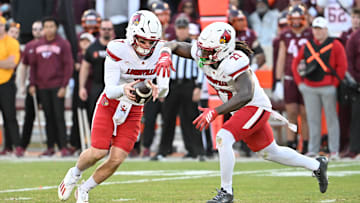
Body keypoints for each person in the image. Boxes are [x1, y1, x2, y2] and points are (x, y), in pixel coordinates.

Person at [157, 22, 329, 203]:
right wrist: (165, 54)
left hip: (254, 107)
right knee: (270, 152)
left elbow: (246, 94)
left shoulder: (235, 61)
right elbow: (175, 45)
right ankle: (317, 164)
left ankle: (226, 192)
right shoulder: (204, 53)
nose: (203, 54)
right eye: (202, 49)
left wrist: (215, 112)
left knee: (224, 137)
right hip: (240, 110)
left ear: (223, 50)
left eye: (209, 51)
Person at [58, 10, 171, 203]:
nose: (146, 46)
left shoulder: (162, 50)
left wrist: (156, 89)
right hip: (111, 102)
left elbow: (164, 90)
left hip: (135, 107)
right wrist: (123, 88)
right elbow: (109, 89)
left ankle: (84, 189)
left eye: (150, 41)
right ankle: (74, 173)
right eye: (142, 40)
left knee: (117, 158)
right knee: (98, 151)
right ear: (132, 35)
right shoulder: (117, 48)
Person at [151, 15, 205, 161]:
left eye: (184, 28)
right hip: (172, 85)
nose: (181, 31)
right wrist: (162, 87)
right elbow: (162, 65)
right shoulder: (170, 45)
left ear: (188, 29)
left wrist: (199, 86)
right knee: (168, 118)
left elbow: (201, 67)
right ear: (175, 29)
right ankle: (163, 151)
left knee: (191, 118)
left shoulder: (195, 45)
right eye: (179, 28)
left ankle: (196, 151)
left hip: (189, 84)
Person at [292, 17, 347, 160]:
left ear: (326, 30)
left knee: (332, 119)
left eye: (320, 29)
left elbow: (342, 66)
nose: (318, 32)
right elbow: (295, 64)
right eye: (315, 29)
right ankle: (313, 149)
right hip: (310, 87)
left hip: (328, 86)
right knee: (312, 119)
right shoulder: (307, 45)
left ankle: (334, 150)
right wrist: (300, 83)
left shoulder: (335, 44)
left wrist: (334, 83)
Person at [29, 16, 73, 157]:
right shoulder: (37, 45)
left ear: (56, 27)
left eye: (51, 26)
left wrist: (64, 85)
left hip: (57, 86)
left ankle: (63, 146)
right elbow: (33, 67)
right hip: (42, 86)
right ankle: (50, 147)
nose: (48, 29)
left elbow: (68, 65)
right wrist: (32, 83)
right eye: (46, 27)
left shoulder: (63, 44)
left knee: (59, 117)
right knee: (48, 117)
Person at [273, 5, 311, 153]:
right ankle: (291, 145)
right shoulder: (285, 34)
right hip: (289, 77)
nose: (295, 22)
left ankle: (306, 146)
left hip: (306, 78)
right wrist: (277, 81)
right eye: (293, 19)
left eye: (298, 19)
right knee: (292, 113)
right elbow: (281, 57)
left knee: (305, 113)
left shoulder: (310, 33)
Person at [79, 19, 115, 120]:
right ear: (99, 30)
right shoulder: (92, 48)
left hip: (115, 86)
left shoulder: (118, 47)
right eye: (104, 29)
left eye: (109, 29)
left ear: (113, 30)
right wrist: (82, 87)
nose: (106, 31)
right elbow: (84, 68)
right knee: (95, 115)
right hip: (97, 85)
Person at [16, 21, 43, 152]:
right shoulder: (29, 46)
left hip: (47, 85)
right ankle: (22, 145)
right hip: (32, 85)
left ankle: (52, 145)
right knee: (29, 116)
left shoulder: (49, 45)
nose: (37, 31)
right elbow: (24, 67)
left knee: (52, 116)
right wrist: (22, 85)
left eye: (39, 29)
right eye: (35, 29)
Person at [0, 16, 22, 157]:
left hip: (6, 83)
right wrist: (3, 62)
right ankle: (7, 146)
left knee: (10, 116)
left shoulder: (12, 42)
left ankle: (17, 146)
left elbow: (12, 64)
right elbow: (6, 63)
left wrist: (6, 63)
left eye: (1, 25)